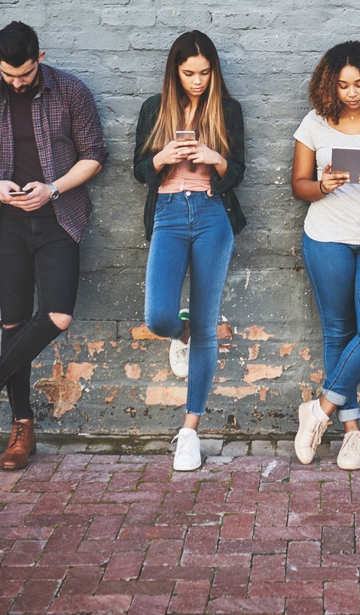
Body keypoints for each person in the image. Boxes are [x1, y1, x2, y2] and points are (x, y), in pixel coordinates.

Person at [0, 21, 107, 468]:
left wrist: (52, 188)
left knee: (58, 315)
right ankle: (22, 428)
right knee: (14, 324)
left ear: (39, 57)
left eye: (24, 73)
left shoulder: (70, 92)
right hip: (8, 223)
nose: (17, 82)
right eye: (8, 74)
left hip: (59, 218)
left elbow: (95, 155)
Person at [134, 31, 246, 471]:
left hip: (212, 213)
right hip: (168, 213)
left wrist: (213, 158)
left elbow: (237, 172)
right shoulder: (154, 109)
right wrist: (162, 157)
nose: (197, 81)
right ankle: (181, 334)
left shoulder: (227, 110)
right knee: (157, 316)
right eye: (188, 73)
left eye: (204, 72)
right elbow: (139, 171)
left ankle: (190, 432)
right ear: (174, 72)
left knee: (206, 325)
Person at [292, 40, 360, 470]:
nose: (352, 93)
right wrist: (322, 185)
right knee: (337, 330)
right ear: (330, 84)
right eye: (344, 85)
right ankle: (351, 433)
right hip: (327, 236)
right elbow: (299, 185)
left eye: (359, 84)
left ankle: (319, 410)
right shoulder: (314, 123)